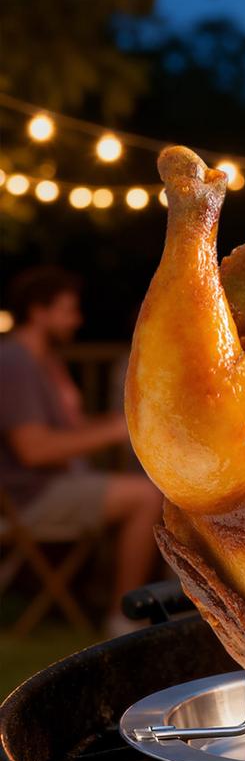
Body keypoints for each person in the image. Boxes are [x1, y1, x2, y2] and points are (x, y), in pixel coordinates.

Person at [0, 266, 162, 635]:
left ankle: (108, 594)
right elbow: (35, 450)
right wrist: (120, 429)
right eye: (67, 310)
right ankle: (124, 616)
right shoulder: (14, 363)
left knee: (149, 488)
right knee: (145, 497)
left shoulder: (43, 360)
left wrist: (120, 422)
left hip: (55, 484)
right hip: (27, 497)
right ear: (38, 312)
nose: (77, 320)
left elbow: (69, 431)